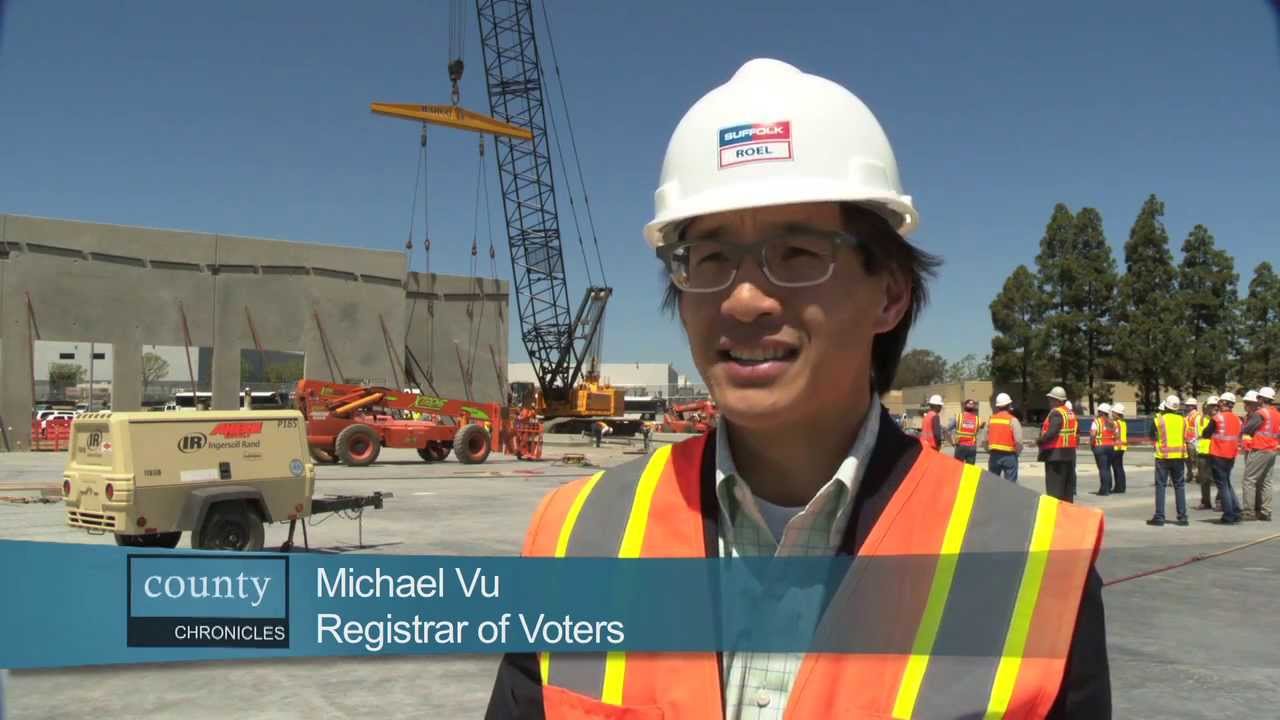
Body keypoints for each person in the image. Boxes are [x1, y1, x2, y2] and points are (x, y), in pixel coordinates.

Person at [486, 58, 1110, 719]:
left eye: (798, 255)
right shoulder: (577, 541)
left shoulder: (1029, 565)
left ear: (890, 294)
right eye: (711, 258)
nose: (744, 300)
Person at [1201, 392, 1243, 524]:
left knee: (1223, 485)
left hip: (1218, 455)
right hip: (1231, 455)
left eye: (1220, 401)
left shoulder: (1217, 417)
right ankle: (1236, 511)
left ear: (1223, 403)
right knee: (1227, 483)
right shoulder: (1238, 419)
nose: (1218, 404)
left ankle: (1229, 515)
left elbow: (1205, 433)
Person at [1147, 395, 1189, 526]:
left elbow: (1151, 435)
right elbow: (1185, 437)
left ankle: (1159, 517)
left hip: (1163, 457)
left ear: (1165, 406)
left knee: (1161, 486)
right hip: (1179, 457)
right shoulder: (1183, 420)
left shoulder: (1159, 419)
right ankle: (1182, 517)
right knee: (1179, 486)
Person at [1241, 386, 1277, 521]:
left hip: (1260, 448)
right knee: (1266, 481)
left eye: (1258, 398)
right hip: (1272, 449)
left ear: (1261, 399)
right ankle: (1266, 512)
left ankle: (1248, 512)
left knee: (1249, 480)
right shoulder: (1276, 414)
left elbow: (1248, 429)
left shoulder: (1260, 413)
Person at [1037, 386, 1079, 502]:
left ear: (1057, 400)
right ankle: (1067, 510)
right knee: (1066, 489)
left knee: (1054, 490)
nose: (1049, 402)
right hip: (1069, 454)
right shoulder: (1070, 413)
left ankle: (1055, 511)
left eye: (1051, 399)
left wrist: (1039, 440)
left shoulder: (1056, 413)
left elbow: (1052, 432)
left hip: (1055, 455)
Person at [986, 392, 1022, 482]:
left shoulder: (991, 420)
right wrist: (1017, 454)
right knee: (1010, 484)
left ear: (997, 406)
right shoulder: (1013, 420)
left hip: (994, 455)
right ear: (1009, 405)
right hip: (1009, 456)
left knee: (993, 482)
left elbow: (984, 440)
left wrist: (989, 451)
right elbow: (1018, 441)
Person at [1195, 395, 1219, 510]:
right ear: (1207, 407)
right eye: (1212, 406)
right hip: (1204, 452)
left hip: (1217, 452)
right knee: (1204, 480)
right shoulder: (1200, 420)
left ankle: (1219, 502)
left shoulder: (1220, 420)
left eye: (1216, 406)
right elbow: (1199, 435)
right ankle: (1205, 502)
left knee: (1219, 479)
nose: (1215, 408)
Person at [1089, 403, 1115, 495]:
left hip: (1100, 447)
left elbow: (1093, 434)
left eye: (1099, 411)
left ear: (1101, 412)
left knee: (1102, 469)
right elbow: (1116, 434)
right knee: (1107, 468)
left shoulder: (1096, 422)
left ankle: (1104, 490)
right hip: (1110, 447)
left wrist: (1091, 444)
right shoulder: (1112, 423)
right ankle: (1108, 487)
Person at [951, 398, 980, 465]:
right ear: (973, 409)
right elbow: (982, 431)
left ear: (964, 407)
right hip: (972, 447)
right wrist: (977, 444)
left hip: (960, 446)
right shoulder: (978, 419)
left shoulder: (958, 417)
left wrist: (952, 441)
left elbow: (947, 429)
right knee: (970, 468)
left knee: (958, 467)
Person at [1110, 403, 1128, 493]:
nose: (1112, 414)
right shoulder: (1123, 423)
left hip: (1116, 447)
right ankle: (1122, 486)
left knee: (1116, 468)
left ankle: (1119, 487)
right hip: (1122, 447)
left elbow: (1114, 435)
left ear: (1117, 413)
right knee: (1120, 467)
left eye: (1113, 412)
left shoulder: (1115, 423)